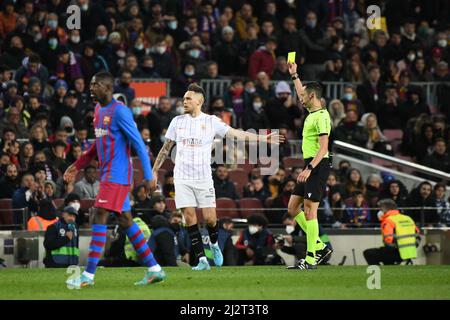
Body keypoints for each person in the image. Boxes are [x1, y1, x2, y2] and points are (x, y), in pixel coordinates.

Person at [151, 83, 283, 271]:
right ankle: (202, 260)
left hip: (203, 177)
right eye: (184, 98)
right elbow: (165, 149)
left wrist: (262, 138)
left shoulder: (212, 121)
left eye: (188, 98)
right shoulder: (177, 121)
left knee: (210, 219)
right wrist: (155, 170)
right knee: (189, 218)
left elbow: (235, 134)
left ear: (199, 101)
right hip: (182, 177)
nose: (184, 101)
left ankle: (214, 244)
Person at [63, 71, 165, 287]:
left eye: (96, 84)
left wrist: (148, 176)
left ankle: (88, 276)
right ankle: (154, 269)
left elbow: (138, 144)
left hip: (117, 175)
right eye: (91, 84)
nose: (91, 87)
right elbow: (96, 146)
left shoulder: (121, 112)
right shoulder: (98, 110)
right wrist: (77, 165)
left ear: (108, 88)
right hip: (108, 173)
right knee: (125, 221)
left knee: (99, 215)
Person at [285, 60, 333, 270]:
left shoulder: (322, 117)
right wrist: (294, 75)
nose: (300, 98)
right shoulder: (313, 112)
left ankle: (311, 258)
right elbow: (302, 91)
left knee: (310, 210)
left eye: (303, 95)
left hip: (318, 164)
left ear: (312, 96)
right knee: (293, 207)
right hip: (310, 164)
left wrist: (309, 169)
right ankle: (320, 246)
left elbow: (323, 148)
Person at [363, 199, 420, 265]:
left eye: (381, 209)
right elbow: (418, 237)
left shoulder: (388, 221)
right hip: (410, 253)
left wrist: (395, 247)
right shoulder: (408, 218)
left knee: (369, 253)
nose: (379, 211)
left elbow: (388, 241)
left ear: (386, 209)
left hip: (397, 252)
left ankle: (379, 273)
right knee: (385, 253)